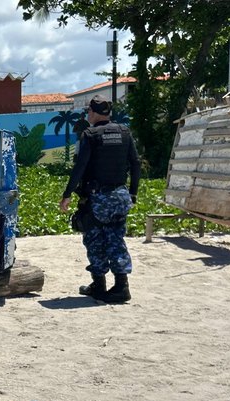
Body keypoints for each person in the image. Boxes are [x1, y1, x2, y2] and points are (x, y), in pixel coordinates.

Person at [60, 95, 140, 303]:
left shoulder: (90, 135)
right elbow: (136, 164)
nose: (88, 115)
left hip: (98, 198)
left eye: (88, 111)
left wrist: (67, 195)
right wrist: (133, 193)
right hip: (121, 196)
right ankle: (121, 286)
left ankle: (99, 283)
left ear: (94, 112)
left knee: (94, 239)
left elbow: (80, 167)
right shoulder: (124, 132)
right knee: (116, 238)